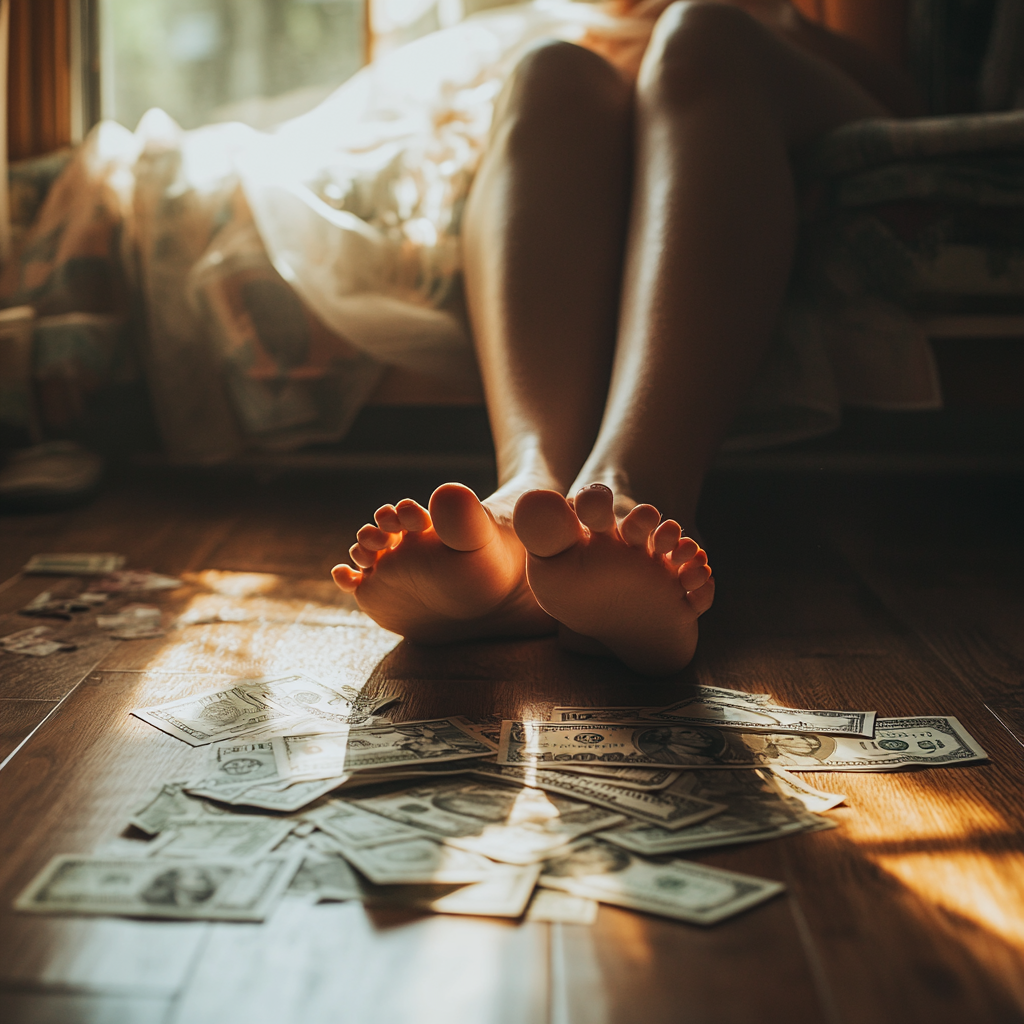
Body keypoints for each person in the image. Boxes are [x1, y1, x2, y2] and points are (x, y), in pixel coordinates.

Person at [332, 0, 920, 675]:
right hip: (619, 60)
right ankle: (528, 502)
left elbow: (897, 88)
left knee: (701, 35)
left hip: (769, 57)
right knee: (550, 70)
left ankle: (633, 487)